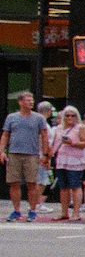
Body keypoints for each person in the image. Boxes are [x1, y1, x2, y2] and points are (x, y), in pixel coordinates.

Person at [5, 90, 47, 222]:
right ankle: (17, 210)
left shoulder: (38, 118)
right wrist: (2, 151)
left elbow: (44, 136)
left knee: (32, 183)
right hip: (14, 153)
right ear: (20, 102)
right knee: (14, 182)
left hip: (32, 154)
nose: (31, 102)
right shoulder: (11, 117)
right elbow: (5, 134)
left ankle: (32, 210)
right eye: (28, 100)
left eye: (32, 100)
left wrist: (45, 154)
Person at [49, 106, 85, 222]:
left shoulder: (80, 128)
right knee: (63, 187)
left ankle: (76, 212)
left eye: (73, 115)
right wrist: (48, 156)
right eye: (67, 115)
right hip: (61, 159)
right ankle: (64, 212)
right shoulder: (58, 128)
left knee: (75, 185)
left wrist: (72, 143)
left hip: (75, 159)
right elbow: (54, 144)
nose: (70, 118)